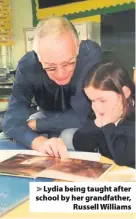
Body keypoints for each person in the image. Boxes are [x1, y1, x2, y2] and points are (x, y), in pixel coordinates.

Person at [1, 16, 101, 159]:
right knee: (4, 137)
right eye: (51, 68)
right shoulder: (28, 65)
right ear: (38, 57)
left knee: (68, 137)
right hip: (45, 115)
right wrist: (38, 142)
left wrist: (37, 125)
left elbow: (82, 116)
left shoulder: (89, 54)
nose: (61, 75)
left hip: (84, 119)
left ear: (77, 46)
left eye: (68, 63)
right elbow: (11, 121)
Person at [60, 61, 135, 168]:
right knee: (66, 135)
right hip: (106, 156)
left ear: (125, 93)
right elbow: (79, 143)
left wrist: (108, 125)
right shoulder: (100, 106)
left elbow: (124, 160)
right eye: (92, 101)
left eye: (103, 101)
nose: (97, 107)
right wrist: (98, 123)